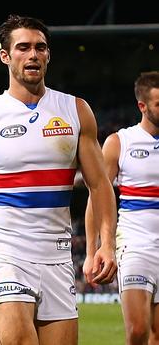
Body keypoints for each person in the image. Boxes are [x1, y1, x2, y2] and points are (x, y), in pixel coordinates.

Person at [0, 14, 118, 345]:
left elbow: (100, 185)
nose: (33, 55)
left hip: (58, 255)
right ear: (5, 56)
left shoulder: (75, 110)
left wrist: (105, 244)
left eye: (40, 48)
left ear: (48, 54)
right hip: (6, 252)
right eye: (23, 47)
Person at [85, 71, 159, 344]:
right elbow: (97, 197)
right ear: (143, 106)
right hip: (135, 246)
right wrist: (93, 250)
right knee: (138, 331)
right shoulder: (121, 142)